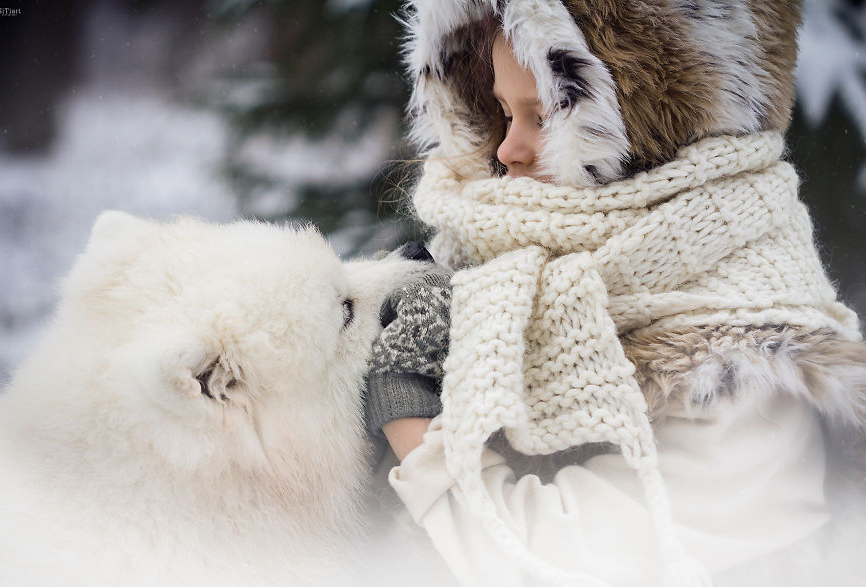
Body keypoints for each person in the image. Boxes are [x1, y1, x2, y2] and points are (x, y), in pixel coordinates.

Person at [365, 1, 866, 586]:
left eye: (545, 115)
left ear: (647, 129)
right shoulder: (505, 278)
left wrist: (411, 411)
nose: (506, 150)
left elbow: (552, 561)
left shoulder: (747, 365)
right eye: (503, 113)